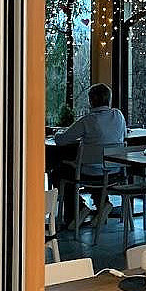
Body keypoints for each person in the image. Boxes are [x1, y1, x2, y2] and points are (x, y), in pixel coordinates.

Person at [48, 83, 127, 228]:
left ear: (91, 100)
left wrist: (56, 132)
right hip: (114, 170)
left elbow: (61, 140)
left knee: (59, 172)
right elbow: (124, 135)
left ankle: (78, 209)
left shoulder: (88, 121)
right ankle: (103, 205)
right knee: (97, 171)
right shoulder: (118, 115)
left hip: (90, 172)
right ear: (109, 99)